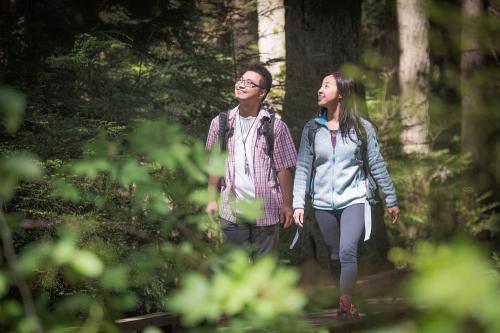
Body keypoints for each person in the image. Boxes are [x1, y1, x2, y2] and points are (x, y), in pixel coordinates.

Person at [292, 72, 400, 318]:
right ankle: (347, 297)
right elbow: (303, 169)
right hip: (322, 203)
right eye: (320, 85)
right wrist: (298, 203)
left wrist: (391, 198)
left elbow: (376, 164)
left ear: (341, 93)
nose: (319, 90)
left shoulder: (362, 128)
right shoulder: (311, 130)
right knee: (333, 253)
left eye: (326, 86)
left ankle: (345, 302)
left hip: (355, 198)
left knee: (347, 249)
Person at [205, 64, 297, 258]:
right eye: (240, 80)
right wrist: (211, 200)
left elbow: (284, 169)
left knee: (264, 272)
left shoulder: (275, 126)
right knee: (235, 270)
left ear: (262, 93)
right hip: (232, 210)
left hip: (266, 210)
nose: (241, 85)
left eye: (249, 83)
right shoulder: (221, 123)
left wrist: (287, 204)